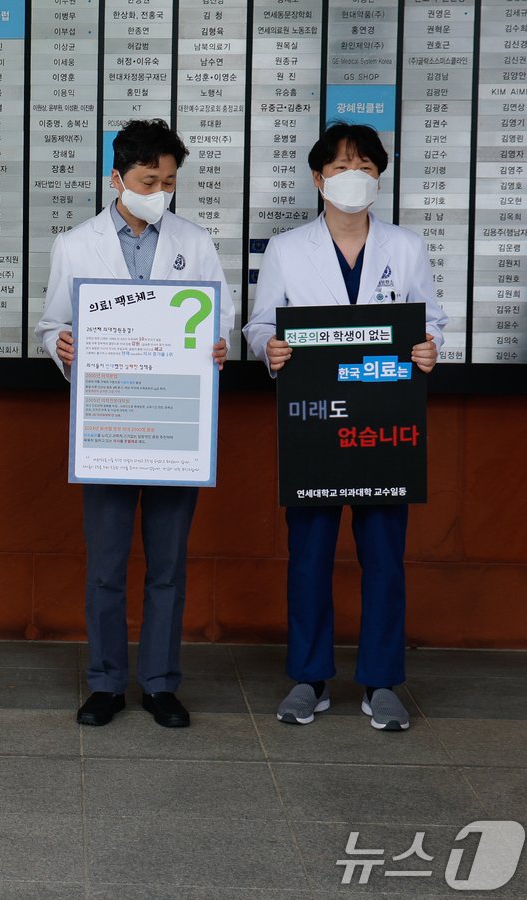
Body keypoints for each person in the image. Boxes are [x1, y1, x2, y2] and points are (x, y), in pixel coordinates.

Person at [243, 122, 448, 732]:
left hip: (387, 427)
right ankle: (309, 678)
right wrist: (270, 349)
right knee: (309, 555)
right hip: (316, 425)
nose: (351, 176)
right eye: (338, 167)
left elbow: (430, 320)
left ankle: (382, 681)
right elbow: (260, 326)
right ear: (317, 178)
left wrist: (431, 348)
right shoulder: (287, 248)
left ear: (378, 178)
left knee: (385, 556)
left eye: (362, 166)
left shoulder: (406, 247)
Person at [35, 119, 235, 729]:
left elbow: (219, 318)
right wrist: (61, 346)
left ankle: (160, 683)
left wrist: (219, 345)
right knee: (106, 564)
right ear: (117, 178)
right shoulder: (75, 245)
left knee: (169, 564)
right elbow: (51, 323)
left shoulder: (194, 242)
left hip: (175, 427)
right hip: (110, 424)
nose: (161, 191)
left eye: (170, 181)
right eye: (150, 180)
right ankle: (103, 683)